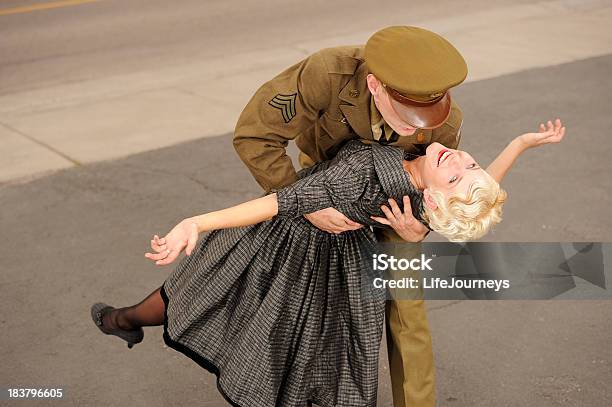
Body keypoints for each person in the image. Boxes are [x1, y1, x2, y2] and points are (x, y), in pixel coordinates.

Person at [90, 120, 565, 407]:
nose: (459, 158)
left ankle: (121, 319)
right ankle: (125, 320)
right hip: (326, 254)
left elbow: (279, 202)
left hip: (288, 245)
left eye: (456, 173)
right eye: (469, 163)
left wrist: (195, 222)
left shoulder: (364, 178)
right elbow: (476, 192)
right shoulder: (429, 194)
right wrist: (520, 144)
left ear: (434, 201)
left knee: (221, 309)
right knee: (203, 299)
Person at [232, 25, 467, 407]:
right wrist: (304, 201)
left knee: (408, 308)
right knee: (299, 297)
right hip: (325, 184)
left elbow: (444, 187)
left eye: (426, 116)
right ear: (375, 85)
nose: (417, 126)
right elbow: (256, 135)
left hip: (398, 203)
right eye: (407, 113)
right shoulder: (329, 73)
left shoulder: (445, 119)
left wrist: (419, 226)